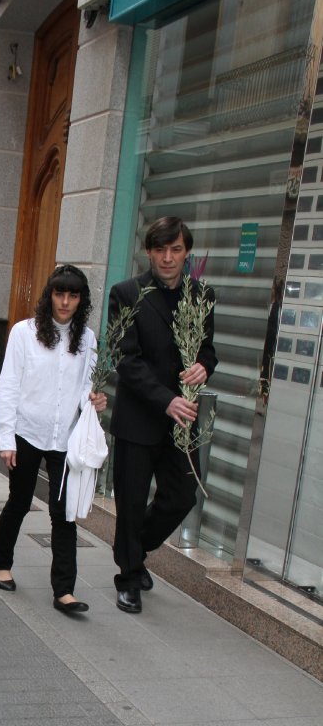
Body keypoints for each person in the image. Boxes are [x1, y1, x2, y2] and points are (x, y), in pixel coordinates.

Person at [109, 215, 217, 614]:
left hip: (182, 423)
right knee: (132, 501)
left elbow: (209, 350)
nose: (168, 258)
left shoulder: (201, 295)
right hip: (139, 419)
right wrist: (165, 400)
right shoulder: (126, 293)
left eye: (176, 249)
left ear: (186, 253)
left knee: (183, 495)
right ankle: (128, 577)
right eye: (160, 250)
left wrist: (204, 367)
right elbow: (126, 359)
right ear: (149, 252)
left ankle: (135, 548)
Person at [0, 265, 107, 614]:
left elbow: (85, 389)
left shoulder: (87, 340)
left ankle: (64, 591)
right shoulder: (24, 333)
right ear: (49, 295)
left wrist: (94, 400)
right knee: (20, 501)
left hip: (66, 439)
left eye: (73, 295)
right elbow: (8, 385)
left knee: (63, 513)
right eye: (60, 294)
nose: (65, 302)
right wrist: (5, 437)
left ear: (81, 300)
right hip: (26, 432)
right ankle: (1, 562)